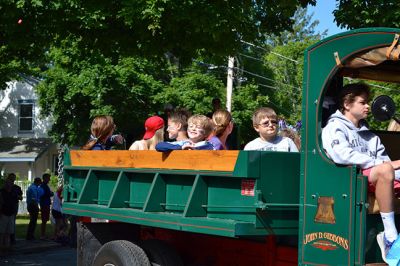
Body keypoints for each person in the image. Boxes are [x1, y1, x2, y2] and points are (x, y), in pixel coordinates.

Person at [321, 83, 400, 262]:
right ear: (347, 104)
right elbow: (341, 156)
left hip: (377, 179)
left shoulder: (371, 137)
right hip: (350, 182)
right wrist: (384, 165)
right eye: (363, 102)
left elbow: (387, 164)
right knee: (385, 168)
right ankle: (389, 235)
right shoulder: (334, 128)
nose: (368, 106)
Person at [0, 177, 18, 251]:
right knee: (2, 232)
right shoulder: (1, 192)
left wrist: (14, 212)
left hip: (11, 214)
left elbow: (15, 201)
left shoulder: (13, 192)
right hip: (3, 214)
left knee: (9, 232)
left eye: (10, 183)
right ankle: (1, 246)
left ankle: (7, 246)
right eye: (7, 183)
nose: (9, 185)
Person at [6, 173, 22, 245]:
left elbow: (20, 197)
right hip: (5, 206)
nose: (12, 179)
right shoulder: (4, 187)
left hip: (14, 206)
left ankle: (12, 238)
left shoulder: (17, 188)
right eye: (10, 178)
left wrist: (17, 196)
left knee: (12, 222)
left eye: (13, 178)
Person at [39, 173, 54, 240]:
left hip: (46, 204)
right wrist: (50, 193)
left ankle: (43, 234)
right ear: (45, 178)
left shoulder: (45, 186)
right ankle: (42, 235)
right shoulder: (43, 186)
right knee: (44, 220)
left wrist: (50, 193)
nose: (49, 180)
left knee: (45, 220)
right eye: (48, 178)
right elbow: (46, 194)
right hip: (44, 204)